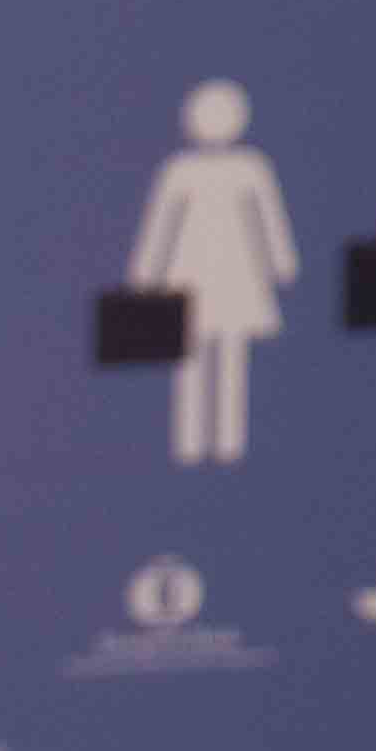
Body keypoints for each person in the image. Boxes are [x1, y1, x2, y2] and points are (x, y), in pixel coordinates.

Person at [126, 79, 293, 466]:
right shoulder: (180, 170)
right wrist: (146, 274)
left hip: (235, 274)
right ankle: (192, 440)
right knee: (193, 356)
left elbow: (267, 219)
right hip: (194, 275)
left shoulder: (250, 167)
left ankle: (227, 442)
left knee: (229, 356)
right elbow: (162, 224)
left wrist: (280, 263)